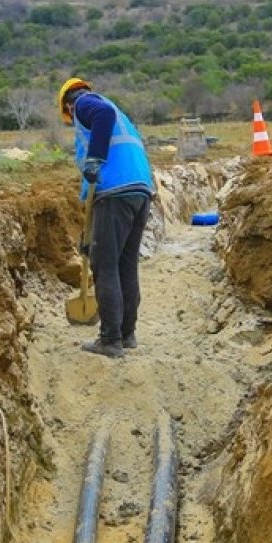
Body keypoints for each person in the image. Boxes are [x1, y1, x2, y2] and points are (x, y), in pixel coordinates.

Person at [58, 78, 155, 359]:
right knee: (125, 264)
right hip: (139, 192)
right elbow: (91, 182)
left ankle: (110, 340)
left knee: (106, 266)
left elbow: (102, 120)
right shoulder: (121, 117)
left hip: (115, 193)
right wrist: (91, 236)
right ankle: (127, 334)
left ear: (68, 104)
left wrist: (94, 159)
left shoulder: (87, 104)